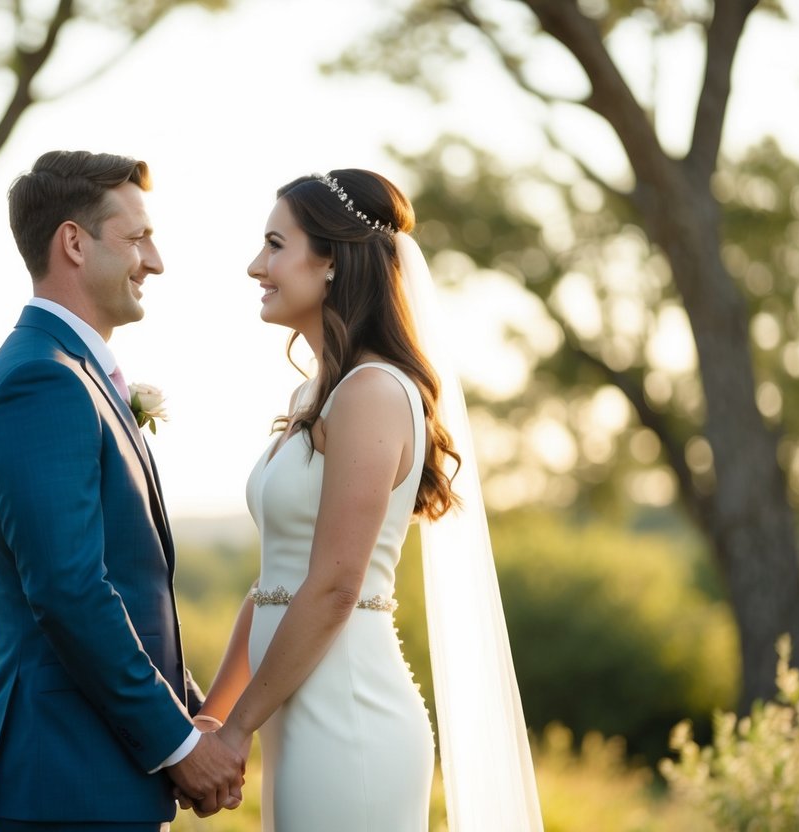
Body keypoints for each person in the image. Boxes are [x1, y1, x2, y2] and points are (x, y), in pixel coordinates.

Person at [190, 169, 543, 831]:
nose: (253, 267)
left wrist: (235, 734)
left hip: (348, 718)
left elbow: (332, 586)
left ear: (330, 262)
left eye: (273, 245)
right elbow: (275, 583)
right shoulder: (314, 396)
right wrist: (212, 715)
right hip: (296, 718)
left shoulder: (372, 392)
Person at [0, 150, 245, 832]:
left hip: (96, 764)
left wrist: (184, 715)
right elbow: (69, 591)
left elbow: (124, 581)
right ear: (74, 243)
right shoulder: (44, 383)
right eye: (137, 237)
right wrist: (179, 747)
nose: (156, 260)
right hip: (69, 774)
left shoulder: (71, 373)